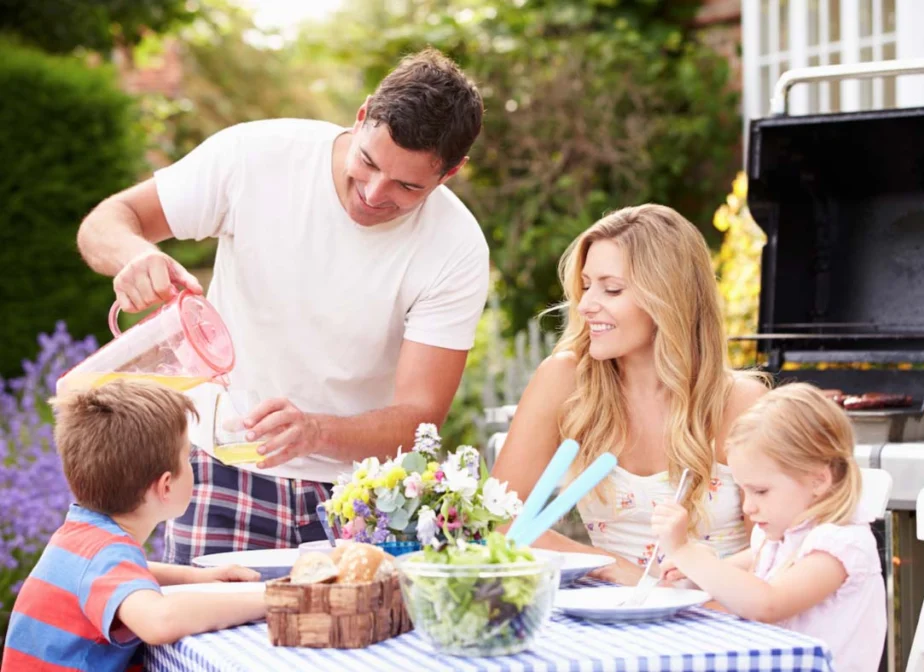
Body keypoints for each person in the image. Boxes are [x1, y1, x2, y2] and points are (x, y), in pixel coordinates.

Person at [75, 48, 490, 564]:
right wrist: (134, 256)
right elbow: (106, 222)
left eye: (408, 186)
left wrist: (317, 431)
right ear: (361, 117)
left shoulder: (456, 247)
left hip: (360, 498)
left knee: (351, 641)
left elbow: (419, 419)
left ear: (451, 173)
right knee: (205, 640)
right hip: (223, 471)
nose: (374, 193)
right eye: (368, 162)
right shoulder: (257, 157)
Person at [492, 203, 767, 585]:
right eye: (586, 285)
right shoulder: (566, 381)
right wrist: (615, 568)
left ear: (667, 298)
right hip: (612, 619)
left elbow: (778, 551)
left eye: (612, 288)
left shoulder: (741, 403)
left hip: (724, 617)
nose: (586, 304)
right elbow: (497, 522)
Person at [1, 381, 264, 672]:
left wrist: (195, 576)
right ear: (165, 486)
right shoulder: (106, 554)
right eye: (188, 457)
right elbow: (160, 620)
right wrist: (272, 601)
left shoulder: (81, 537)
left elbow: (122, 571)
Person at [652, 383, 886, 672]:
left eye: (760, 491)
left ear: (818, 481)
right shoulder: (779, 534)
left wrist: (687, 552)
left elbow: (767, 604)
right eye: (743, 491)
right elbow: (732, 575)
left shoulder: (839, 546)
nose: (748, 506)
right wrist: (695, 571)